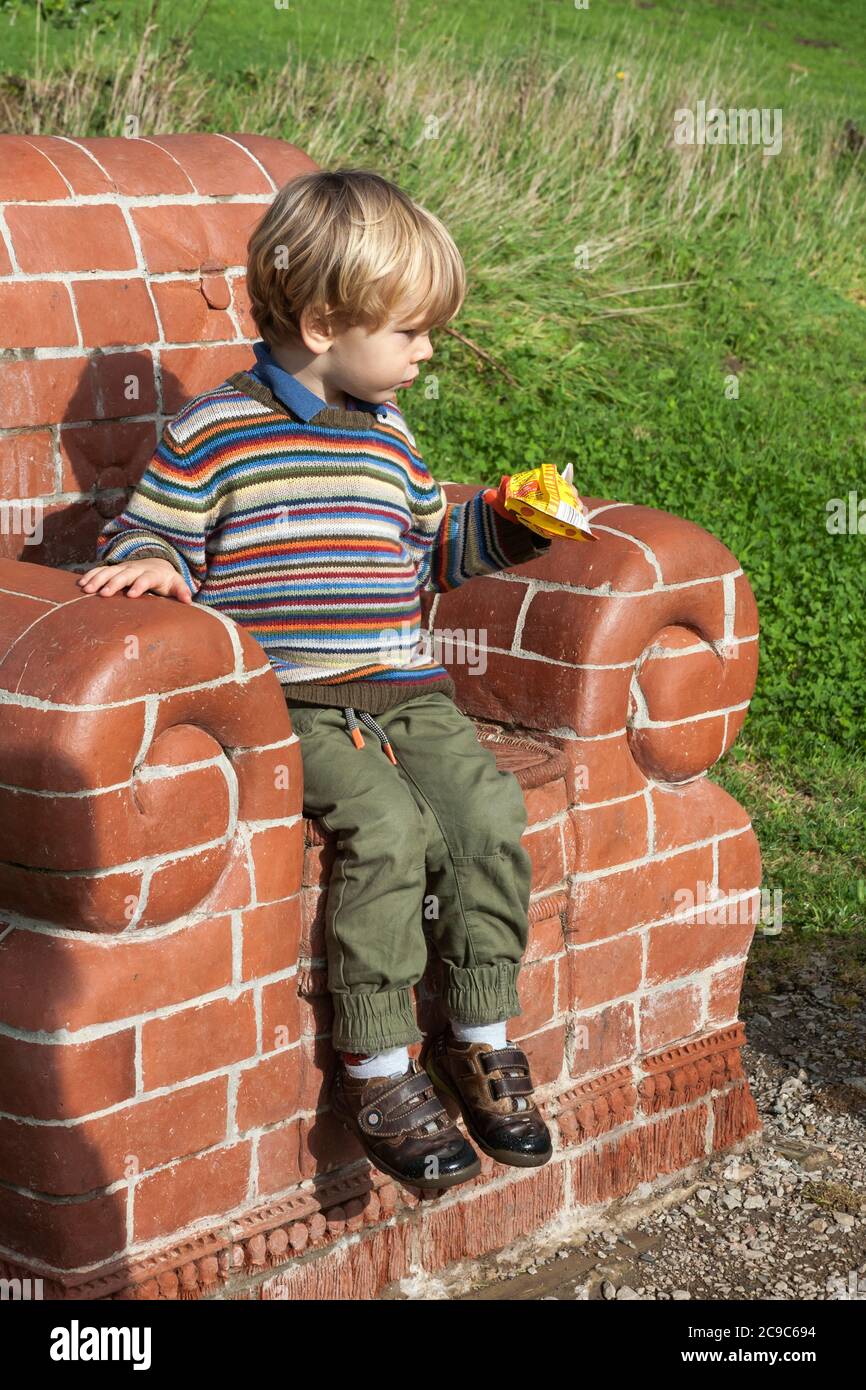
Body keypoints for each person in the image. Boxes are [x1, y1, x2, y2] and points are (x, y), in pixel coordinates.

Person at [78, 168, 554, 1191]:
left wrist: (508, 523)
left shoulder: (390, 438)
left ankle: (479, 1031)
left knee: (484, 811)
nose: (427, 354)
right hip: (294, 702)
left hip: (408, 688)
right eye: (412, 331)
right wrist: (157, 560)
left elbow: (432, 550)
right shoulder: (213, 434)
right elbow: (152, 530)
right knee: (385, 831)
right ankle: (378, 1066)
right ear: (326, 318)